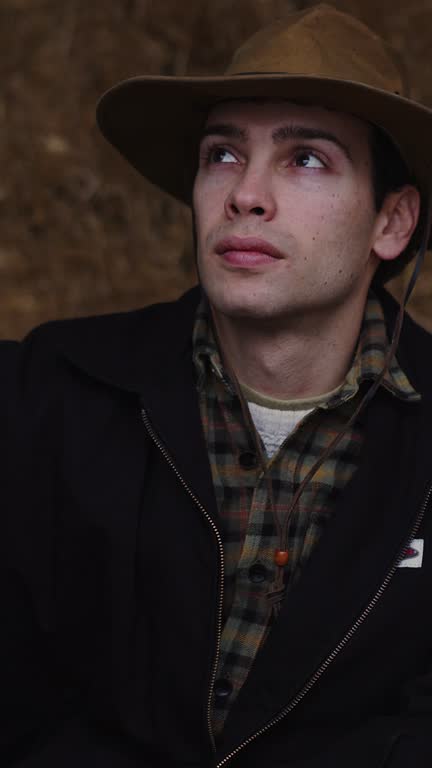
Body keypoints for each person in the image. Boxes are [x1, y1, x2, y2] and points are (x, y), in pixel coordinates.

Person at [2, 4, 432, 767]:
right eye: (222, 155)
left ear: (391, 223)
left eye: (306, 159)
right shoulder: (45, 392)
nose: (246, 195)